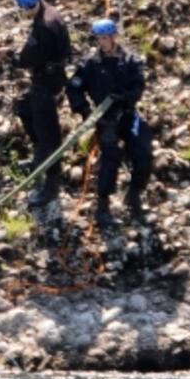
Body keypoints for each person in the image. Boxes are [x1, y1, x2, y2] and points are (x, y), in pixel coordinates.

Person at [66, 18, 153, 228]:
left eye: (105, 37)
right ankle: (103, 206)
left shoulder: (131, 60)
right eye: (99, 38)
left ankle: (134, 193)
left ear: (114, 37)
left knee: (144, 152)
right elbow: (73, 87)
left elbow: (138, 86)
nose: (102, 42)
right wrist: (85, 111)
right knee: (109, 157)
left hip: (128, 114)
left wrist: (124, 97)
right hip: (104, 118)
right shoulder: (90, 63)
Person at [13, 0, 72, 208]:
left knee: (48, 132)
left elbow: (27, 58)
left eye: (25, 9)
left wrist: (13, 58)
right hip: (49, 76)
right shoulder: (50, 13)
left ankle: (52, 184)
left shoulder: (44, 26)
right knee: (24, 107)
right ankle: (39, 156)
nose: (25, 12)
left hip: (47, 82)